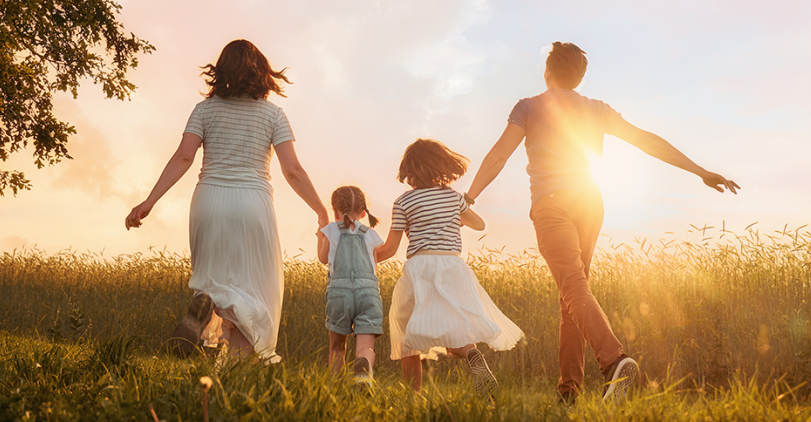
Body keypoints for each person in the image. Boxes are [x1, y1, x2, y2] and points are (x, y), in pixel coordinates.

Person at [464, 41, 740, 403]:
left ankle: (614, 362)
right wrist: (700, 171)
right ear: (580, 77)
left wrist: (468, 198)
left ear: (547, 74)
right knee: (573, 296)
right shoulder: (597, 109)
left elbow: (501, 154)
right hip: (590, 203)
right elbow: (646, 142)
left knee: (573, 288)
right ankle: (568, 392)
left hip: (552, 205)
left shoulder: (528, 107)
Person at [125, 39, 329, 363]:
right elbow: (293, 171)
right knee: (254, 291)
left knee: (216, 282)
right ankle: (236, 373)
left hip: (209, 201)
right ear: (262, 73)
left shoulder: (204, 110)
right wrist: (320, 208)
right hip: (252, 203)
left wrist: (148, 202)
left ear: (220, 71)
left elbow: (182, 157)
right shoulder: (274, 115)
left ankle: (205, 306)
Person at [374, 139, 524, 396]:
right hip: (453, 266)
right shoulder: (453, 198)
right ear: (442, 166)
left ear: (408, 170)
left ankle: (414, 395)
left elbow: (388, 249)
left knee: (406, 328)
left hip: (419, 269)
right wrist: (458, 214)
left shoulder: (403, 203)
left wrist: (362, 256)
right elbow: (479, 225)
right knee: (456, 328)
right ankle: (471, 353)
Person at [316, 186, 384, 387]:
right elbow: (374, 266)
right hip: (368, 293)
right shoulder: (370, 234)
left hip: (340, 293)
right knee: (365, 346)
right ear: (363, 213)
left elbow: (322, 258)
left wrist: (319, 234)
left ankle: (336, 387)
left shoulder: (330, 230)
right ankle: (363, 369)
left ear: (335, 211)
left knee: (337, 346)